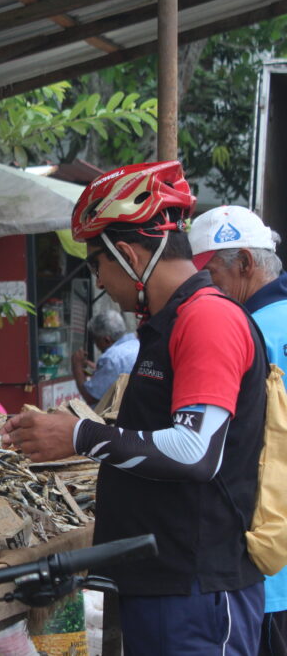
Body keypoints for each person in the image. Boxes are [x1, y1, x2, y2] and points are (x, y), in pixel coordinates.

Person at [1, 161, 267, 654]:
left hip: (195, 589)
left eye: (98, 265)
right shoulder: (168, 322)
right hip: (162, 583)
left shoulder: (207, 319)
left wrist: (79, 436)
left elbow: (194, 452)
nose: (101, 282)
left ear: (126, 255)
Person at [189, 204, 287, 656]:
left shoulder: (246, 331)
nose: (203, 291)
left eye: (209, 276)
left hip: (267, 564)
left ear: (245, 264)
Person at [71, 309, 139, 405]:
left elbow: (91, 397)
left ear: (106, 340)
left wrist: (76, 366)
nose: (97, 346)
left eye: (96, 341)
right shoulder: (137, 344)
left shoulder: (111, 358)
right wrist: (99, 369)